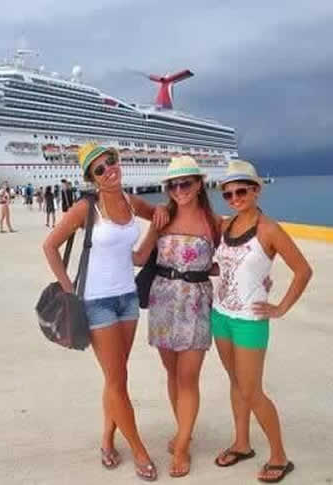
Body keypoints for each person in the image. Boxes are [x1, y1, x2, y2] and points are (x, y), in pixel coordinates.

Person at [43, 143, 168, 481]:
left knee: (117, 378)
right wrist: (69, 290)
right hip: (96, 302)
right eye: (99, 169)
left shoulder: (130, 201)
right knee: (117, 380)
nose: (109, 169)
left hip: (127, 300)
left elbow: (139, 256)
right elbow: (50, 246)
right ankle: (139, 450)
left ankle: (107, 438)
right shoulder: (87, 208)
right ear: (92, 178)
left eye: (111, 161)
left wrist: (157, 222)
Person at [211, 160, 312, 483]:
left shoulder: (269, 229)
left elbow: (303, 271)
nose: (235, 198)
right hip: (220, 315)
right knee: (236, 383)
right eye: (228, 194)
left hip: (249, 321)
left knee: (252, 391)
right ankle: (242, 444)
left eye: (241, 191)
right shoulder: (226, 225)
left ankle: (279, 456)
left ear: (256, 190)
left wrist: (281, 308)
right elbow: (224, 266)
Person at [133, 156, 221, 477]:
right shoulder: (163, 217)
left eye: (186, 183)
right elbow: (140, 257)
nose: (179, 190)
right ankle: (184, 430)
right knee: (172, 374)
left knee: (189, 376)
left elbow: (229, 259)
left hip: (196, 302)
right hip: (163, 300)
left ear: (199, 184)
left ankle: (182, 445)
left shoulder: (214, 223)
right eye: (173, 185)